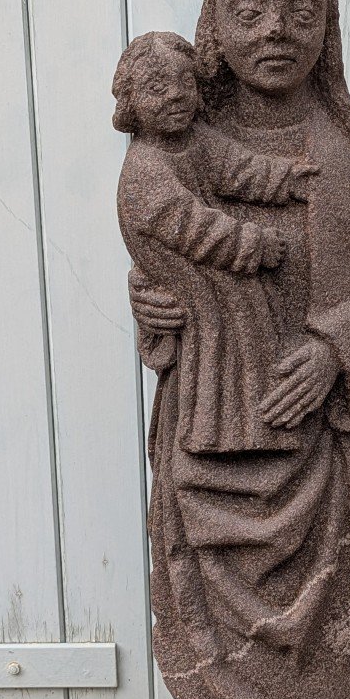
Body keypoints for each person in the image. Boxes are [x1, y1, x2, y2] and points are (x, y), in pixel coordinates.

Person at [128, 0, 350, 699]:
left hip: (311, 447)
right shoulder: (180, 141)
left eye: (301, 13)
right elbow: (164, 254)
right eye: (248, 13)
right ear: (212, 30)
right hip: (208, 424)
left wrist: (333, 353)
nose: (275, 31)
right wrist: (153, 309)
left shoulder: (330, 153)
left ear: (327, 31)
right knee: (214, 602)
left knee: (331, 619)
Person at [114, 31, 317, 454]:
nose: (176, 96)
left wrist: (285, 178)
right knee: (218, 345)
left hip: (216, 281)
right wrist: (251, 245)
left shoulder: (194, 139)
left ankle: (261, 426)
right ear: (131, 103)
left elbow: (236, 167)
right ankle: (221, 435)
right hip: (196, 284)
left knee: (247, 325)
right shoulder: (145, 169)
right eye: (157, 88)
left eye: (186, 83)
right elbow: (192, 227)